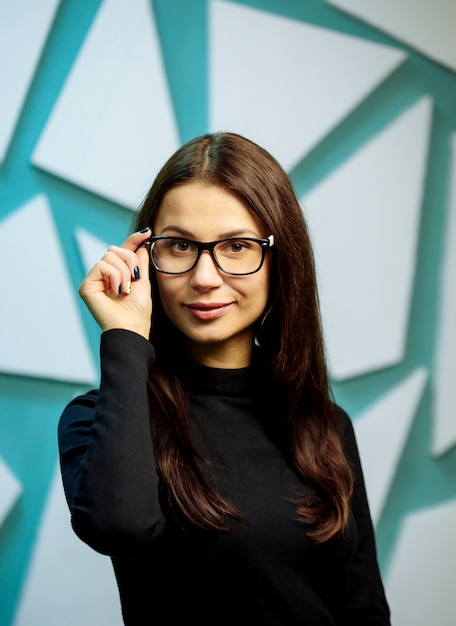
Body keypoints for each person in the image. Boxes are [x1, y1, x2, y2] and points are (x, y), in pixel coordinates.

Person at [58, 131, 391, 625]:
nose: (205, 276)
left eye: (237, 246)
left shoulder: (324, 424)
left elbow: (363, 609)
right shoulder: (100, 418)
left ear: (281, 258)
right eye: (180, 246)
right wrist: (126, 336)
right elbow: (119, 527)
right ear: (146, 258)